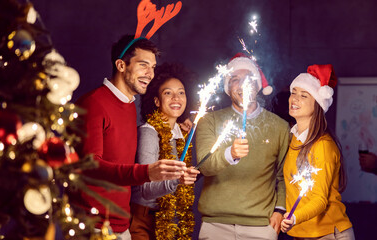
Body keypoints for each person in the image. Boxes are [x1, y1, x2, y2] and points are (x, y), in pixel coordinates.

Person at [73, 35, 187, 240]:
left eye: (152, 67)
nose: (150, 74)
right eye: (143, 65)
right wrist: (146, 172)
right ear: (121, 65)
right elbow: (91, 166)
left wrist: (176, 125)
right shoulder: (93, 103)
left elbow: (120, 149)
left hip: (121, 226)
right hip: (93, 227)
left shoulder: (129, 105)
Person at [196, 53, 290, 240]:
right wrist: (229, 154)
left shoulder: (280, 126)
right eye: (234, 79)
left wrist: (279, 210)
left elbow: (283, 175)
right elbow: (204, 166)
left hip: (261, 226)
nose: (242, 85)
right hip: (215, 225)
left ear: (258, 85)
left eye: (249, 78)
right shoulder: (209, 121)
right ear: (227, 87)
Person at [280, 64, 355, 240]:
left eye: (304, 95)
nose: (295, 99)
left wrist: (294, 217)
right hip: (301, 233)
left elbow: (320, 199)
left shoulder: (323, 145)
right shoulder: (293, 139)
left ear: (318, 104)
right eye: (294, 92)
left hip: (329, 233)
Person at [129, 63, 200, 240]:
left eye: (181, 92)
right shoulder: (149, 132)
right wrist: (178, 179)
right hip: (145, 220)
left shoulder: (181, 134)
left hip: (171, 220)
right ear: (156, 101)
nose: (176, 98)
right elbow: (146, 189)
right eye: (168, 93)